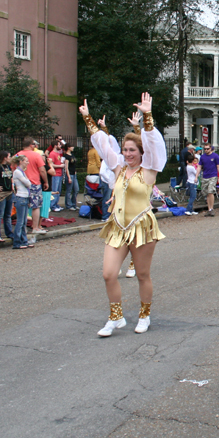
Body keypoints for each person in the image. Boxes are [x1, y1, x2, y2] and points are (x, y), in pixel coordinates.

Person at [80, 93, 167, 337]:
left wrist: (147, 117)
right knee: (108, 274)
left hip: (142, 227)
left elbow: (153, 144)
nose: (127, 154)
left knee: (142, 275)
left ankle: (144, 315)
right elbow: (103, 145)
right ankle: (115, 317)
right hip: (118, 226)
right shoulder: (118, 169)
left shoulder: (149, 171)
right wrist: (88, 119)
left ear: (141, 152)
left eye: (132, 150)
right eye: (125, 150)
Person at [16, 137, 49, 235]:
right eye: (34, 144)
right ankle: (35, 227)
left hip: (20, 184)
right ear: (31, 145)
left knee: (23, 206)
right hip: (34, 183)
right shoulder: (36, 155)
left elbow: (13, 168)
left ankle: (22, 228)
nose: (35, 146)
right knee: (36, 206)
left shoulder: (18, 155)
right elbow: (42, 170)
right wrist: (46, 182)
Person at [11, 154, 31, 249]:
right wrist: (28, 182)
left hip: (25, 197)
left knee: (24, 221)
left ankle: (24, 241)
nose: (28, 162)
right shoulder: (17, 172)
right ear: (21, 162)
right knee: (20, 222)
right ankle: (17, 242)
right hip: (21, 197)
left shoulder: (22, 172)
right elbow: (28, 183)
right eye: (26, 161)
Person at [199, 143, 219, 217]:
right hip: (205, 176)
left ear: (211, 148)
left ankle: (211, 208)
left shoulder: (215, 156)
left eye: (207, 149)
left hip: (213, 175)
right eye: (205, 149)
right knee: (206, 193)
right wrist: (196, 176)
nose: (206, 150)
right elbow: (199, 166)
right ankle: (209, 209)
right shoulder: (202, 157)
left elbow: (218, 166)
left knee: (210, 191)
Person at [62, 143, 79, 210]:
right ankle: (69, 205)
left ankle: (74, 203)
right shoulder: (66, 157)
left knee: (76, 189)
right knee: (69, 190)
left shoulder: (72, 155)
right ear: (68, 147)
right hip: (70, 174)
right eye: (72, 146)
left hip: (74, 174)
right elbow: (66, 168)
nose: (73, 147)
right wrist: (69, 177)